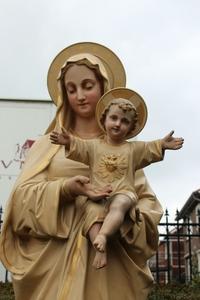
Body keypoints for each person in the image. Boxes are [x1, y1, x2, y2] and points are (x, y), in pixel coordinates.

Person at [0, 42, 164, 300]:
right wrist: (65, 190)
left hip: (110, 273)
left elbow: (147, 205)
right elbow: (19, 204)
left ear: (104, 88)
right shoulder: (49, 145)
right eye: (71, 88)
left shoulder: (123, 150)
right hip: (54, 273)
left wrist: (123, 215)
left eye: (88, 86)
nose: (79, 95)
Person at [50, 89, 184, 268]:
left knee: (119, 205)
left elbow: (150, 148)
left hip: (124, 193)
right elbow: (79, 146)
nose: (118, 124)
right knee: (90, 211)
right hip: (98, 194)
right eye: (114, 118)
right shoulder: (94, 147)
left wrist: (163, 145)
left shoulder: (132, 149)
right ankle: (100, 249)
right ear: (104, 119)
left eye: (125, 121)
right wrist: (68, 141)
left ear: (130, 128)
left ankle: (103, 236)